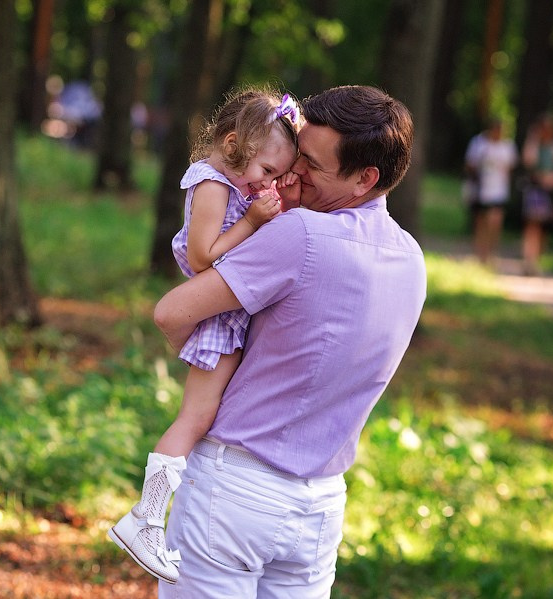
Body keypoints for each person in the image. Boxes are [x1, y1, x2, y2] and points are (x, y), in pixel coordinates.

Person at [152, 85, 427, 597]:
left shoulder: (300, 235)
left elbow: (171, 313)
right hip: (321, 506)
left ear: (365, 178)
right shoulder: (412, 260)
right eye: (298, 155)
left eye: (314, 166)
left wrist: (208, 358)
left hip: (233, 492)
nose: (294, 172)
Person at [108, 87, 301, 584]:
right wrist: (254, 222)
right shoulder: (212, 185)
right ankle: (145, 520)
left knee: (206, 416)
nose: (268, 183)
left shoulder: (231, 183)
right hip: (219, 318)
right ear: (234, 143)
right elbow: (201, 258)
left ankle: (157, 519)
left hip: (230, 316)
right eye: (266, 171)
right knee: (193, 420)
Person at [520, 114, 553, 275]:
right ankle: (529, 261)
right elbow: (528, 161)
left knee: (543, 229)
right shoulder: (533, 145)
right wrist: (533, 138)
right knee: (532, 225)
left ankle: (536, 261)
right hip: (534, 191)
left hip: (550, 193)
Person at [463, 119, 519, 266]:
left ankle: (492, 253)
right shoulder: (479, 143)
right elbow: (469, 164)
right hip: (481, 190)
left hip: (499, 191)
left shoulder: (508, 147)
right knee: (480, 222)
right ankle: (479, 254)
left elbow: (511, 168)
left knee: (495, 222)